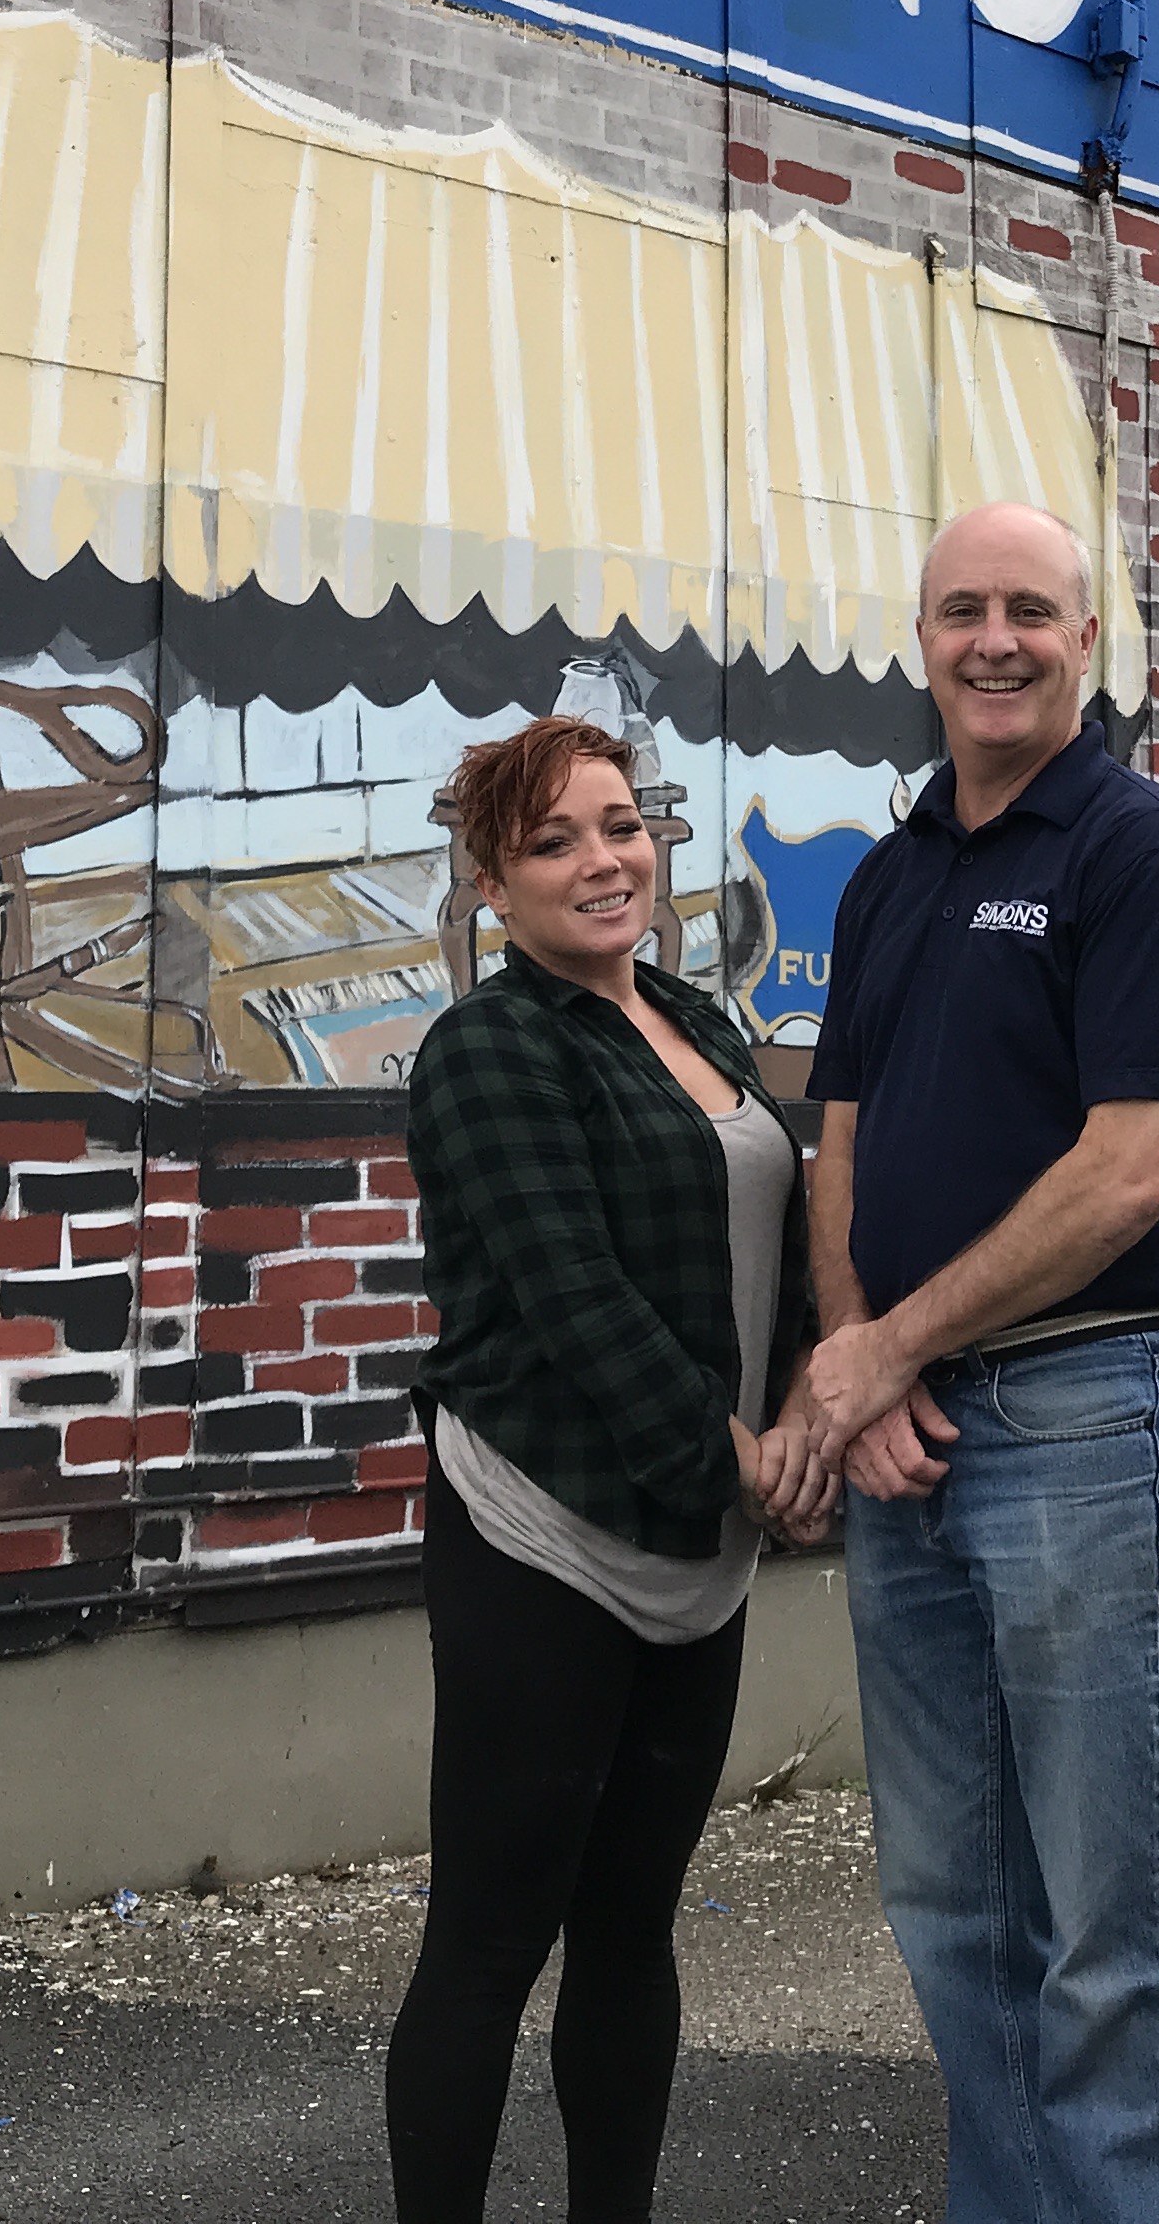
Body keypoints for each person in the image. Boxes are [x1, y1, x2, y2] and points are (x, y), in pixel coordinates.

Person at [795, 500, 1159, 2224]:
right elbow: (840, 1145)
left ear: (1091, 642)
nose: (995, 641)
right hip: (907, 1435)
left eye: (1031, 614)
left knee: (1110, 1922)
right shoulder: (891, 877)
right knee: (954, 1906)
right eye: (961, 612)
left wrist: (890, 1348)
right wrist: (856, 1361)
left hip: (1086, 1411)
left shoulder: (1142, 862)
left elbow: (1130, 1170)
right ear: (921, 642)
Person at [385, 715, 835, 2224]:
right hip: (546, 1533)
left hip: (698, 1544)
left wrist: (808, 1413)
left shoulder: (698, 1023)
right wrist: (748, 1461)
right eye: (553, 841)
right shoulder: (487, 1050)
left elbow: (778, 1240)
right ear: (491, 885)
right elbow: (575, 1300)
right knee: (492, 1939)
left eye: (623, 825)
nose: (603, 859)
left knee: (634, 1927)